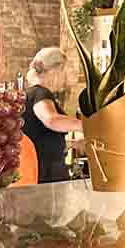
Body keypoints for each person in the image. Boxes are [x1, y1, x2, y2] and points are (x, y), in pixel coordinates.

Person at [23, 47, 80, 183]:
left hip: (38, 172)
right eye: (64, 72)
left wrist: (70, 144)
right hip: (47, 176)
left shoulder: (31, 93)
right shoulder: (41, 93)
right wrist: (90, 125)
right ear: (55, 71)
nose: (65, 79)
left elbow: (40, 136)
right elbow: (51, 120)